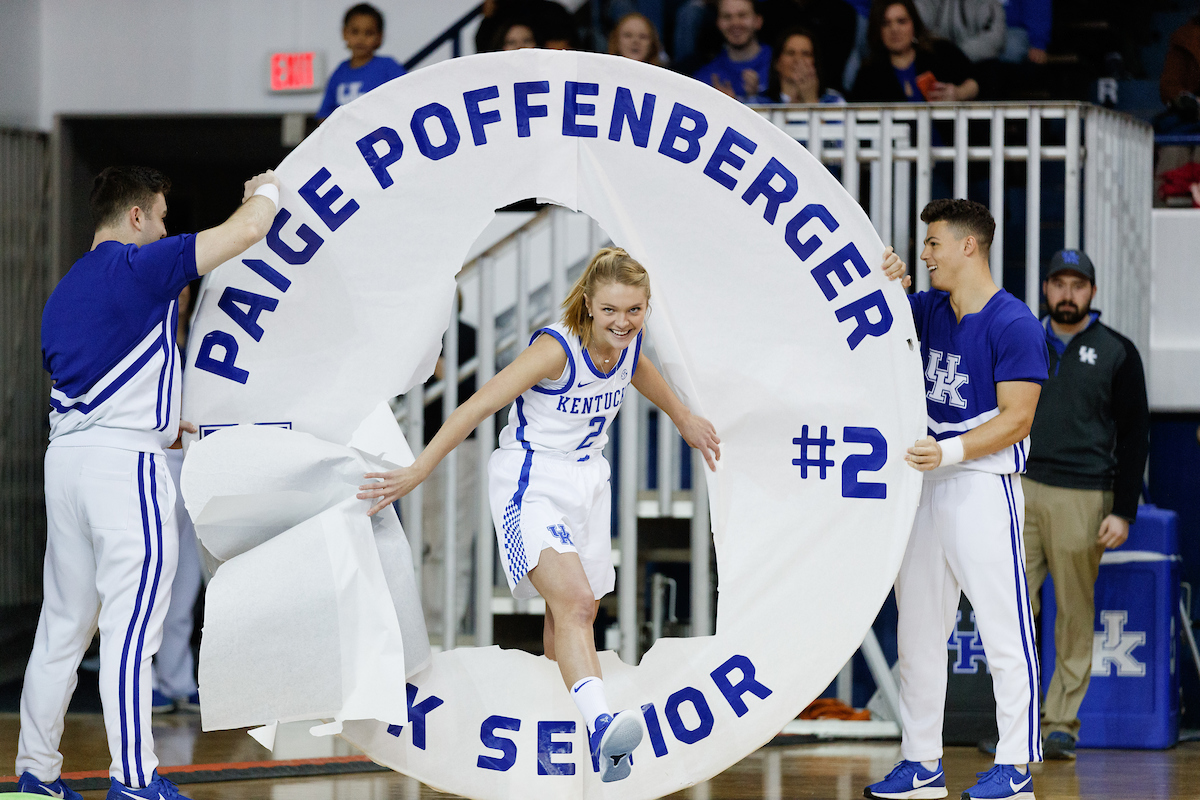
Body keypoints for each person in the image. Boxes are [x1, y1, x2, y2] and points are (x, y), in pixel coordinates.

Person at [17, 165, 280, 800]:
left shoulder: (65, 290)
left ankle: (36, 774)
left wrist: (161, 419)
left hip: (68, 460)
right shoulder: (139, 266)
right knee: (133, 632)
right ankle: (135, 780)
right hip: (124, 468)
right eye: (162, 218)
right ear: (136, 217)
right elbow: (248, 230)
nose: (166, 230)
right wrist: (264, 192)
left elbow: (99, 383)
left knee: (61, 631)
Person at [865, 199, 1047, 800]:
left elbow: (1018, 419)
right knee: (917, 635)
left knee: (1004, 631)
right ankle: (921, 763)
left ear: (969, 246)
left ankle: (1015, 767)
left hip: (981, 485)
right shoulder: (928, 309)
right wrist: (888, 279)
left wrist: (949, 452)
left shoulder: (1014, 322)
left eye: (934, 243)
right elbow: (880, 312)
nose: (925, 254)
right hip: (927, 485)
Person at [1021, 249, 1150, 760]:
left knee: (1074, 612)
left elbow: (1136, 435)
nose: (1067, 294)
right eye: (1059, 284)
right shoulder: (1024, 339)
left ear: (1092, 292)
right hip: (1021, 486)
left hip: (1084, 493)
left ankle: (1060, 725)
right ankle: (1017, 725)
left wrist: (1123, 510)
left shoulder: (1118, 351)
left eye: (1078, 285)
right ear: (1046, 289)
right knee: (1010, 607)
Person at [151, 284, 204, 716]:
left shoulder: (209, 334)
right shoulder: (148, 336)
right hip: (159, 462)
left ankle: (178, 677)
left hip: (200, 464)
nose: (182, 292)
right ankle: (147, 679)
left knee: (187, 576)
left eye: (188, 284)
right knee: (154, 574)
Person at [850, 0, 979, 102]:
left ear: (914, 24)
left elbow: (978, 79)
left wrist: (959, 93)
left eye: (901, 21)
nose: (894, 29)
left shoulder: (941, 52)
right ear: (878, 30)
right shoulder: (868, 75)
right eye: (885, 23)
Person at [316, 3, 405, 121]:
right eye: (355, 31)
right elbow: (324, 116)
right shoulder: (339, 73)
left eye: (369, 33)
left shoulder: (388, 67)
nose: (361, 38)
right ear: (345, 33)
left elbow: (406, 98)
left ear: (379, 37)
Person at [694, 0, 773, 102]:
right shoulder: (706, 77)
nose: (735, 23)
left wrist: (756, 97)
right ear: (718, 23)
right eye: (727, 17)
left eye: (742, 15)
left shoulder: (781, 64)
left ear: (758, 21)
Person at [765, 28, 847, 103]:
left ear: (814, 62)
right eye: (790, 53)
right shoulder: (760, 102)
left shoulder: (834, 100)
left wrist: (811, 100)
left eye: (805, 54)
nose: (798, 60)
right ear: (777, 63)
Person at [914, 0, 1006, 63]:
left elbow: (994, 38)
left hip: (973, 61)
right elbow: (917, 24)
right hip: (935, 57)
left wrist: (956, 55)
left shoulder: (987, 3)